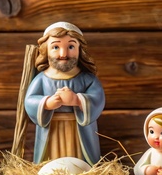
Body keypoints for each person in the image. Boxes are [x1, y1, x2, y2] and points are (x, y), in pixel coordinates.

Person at [25, 21, 105, 165]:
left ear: (80, 50)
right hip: (52, 129)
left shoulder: (87, 78)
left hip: (79, 130)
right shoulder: (42, 79)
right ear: (46, 50)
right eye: (56, 47)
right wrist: (46, 103)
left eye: (71, 47)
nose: (63, 54)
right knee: (50, 162)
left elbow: (98, 99)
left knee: (80, 163)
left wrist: (77, 100)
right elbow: (29, 101)